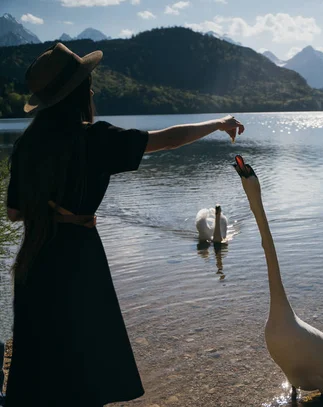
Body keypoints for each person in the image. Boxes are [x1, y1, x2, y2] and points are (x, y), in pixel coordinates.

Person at [4, 43, 244, 407]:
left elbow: (14, 213)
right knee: (85, 361)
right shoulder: (94, 140)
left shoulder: (26, 145)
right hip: (78, 258)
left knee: (40, 359)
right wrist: (219, 123)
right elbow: (170, 140)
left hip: (34, 260)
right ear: (78, 94)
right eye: (88, 84)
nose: (93, 89)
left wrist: (50, 208)